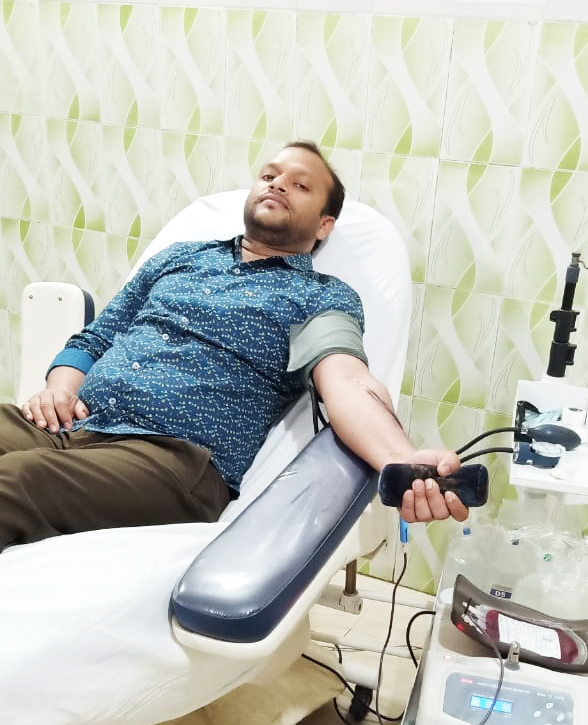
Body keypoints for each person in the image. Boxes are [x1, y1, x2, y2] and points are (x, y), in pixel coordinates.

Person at [0, 141, 467, 552]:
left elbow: (347, 382)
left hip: (169, 459)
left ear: (324, 226)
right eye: (269, 175)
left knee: (16, 480)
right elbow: (98, 336)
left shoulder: (319, 297)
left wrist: (401, 457)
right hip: (74, 425)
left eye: (300, 185)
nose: (278, 184)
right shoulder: (179, 258)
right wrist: (59, 388)